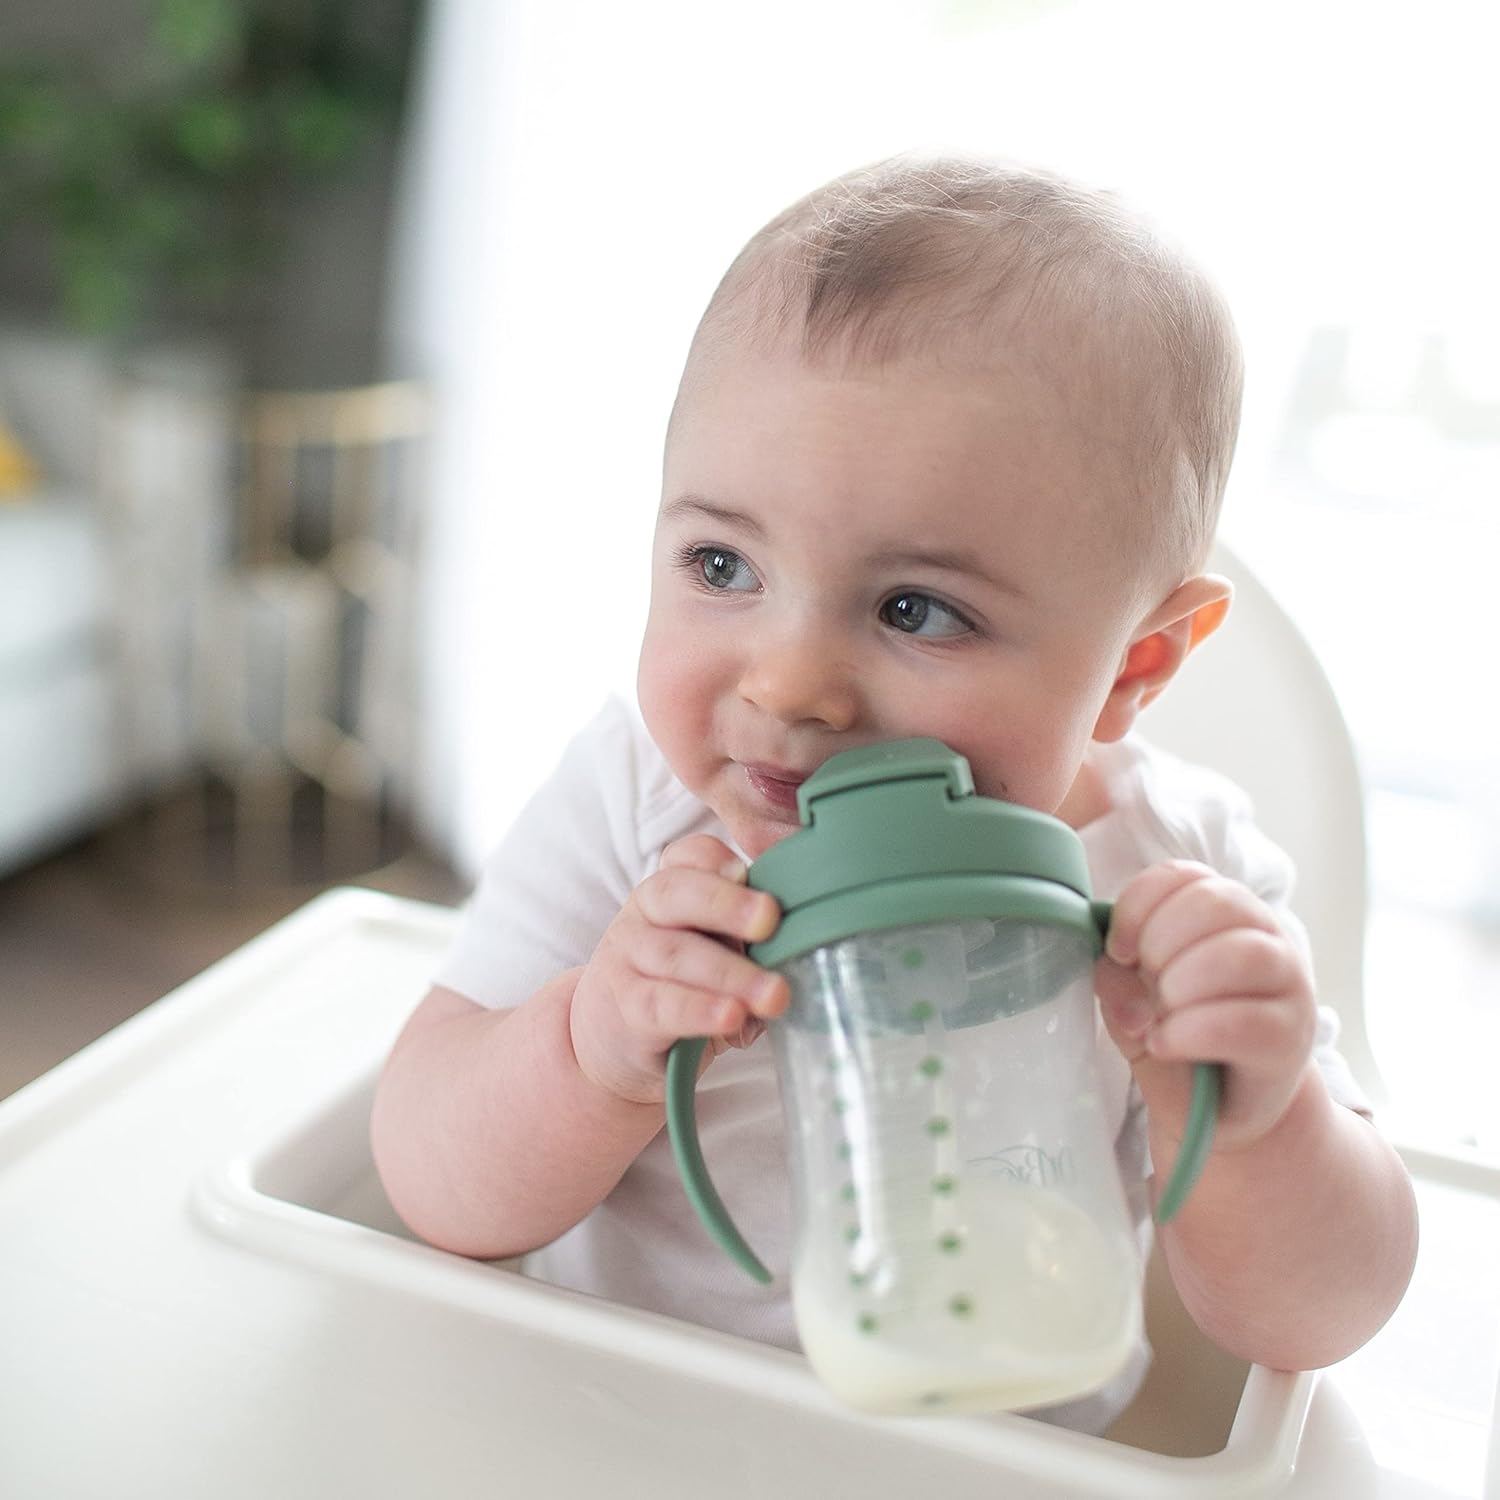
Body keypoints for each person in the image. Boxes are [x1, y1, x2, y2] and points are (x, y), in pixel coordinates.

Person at [371, 153, 1417, 1432]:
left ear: (1133, 668)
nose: (793, 683)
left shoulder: (1172, 879)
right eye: (721, 563)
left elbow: (1316, 1323)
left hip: (997, 1459)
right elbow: (428, 1175)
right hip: (601, 1430)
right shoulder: (641, 804)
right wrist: (591, 1046)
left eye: (916, 609)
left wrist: (1257, 1121)